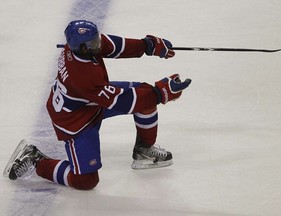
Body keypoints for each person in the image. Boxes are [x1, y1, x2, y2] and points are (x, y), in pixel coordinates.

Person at [4, 20, 191, 190]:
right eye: (94, 43)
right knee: (86, 181)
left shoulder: (80, 47)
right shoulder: (83, 76)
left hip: (90, 101)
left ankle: (144, 149)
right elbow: (124, 102)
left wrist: (147, 45)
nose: (98, 44)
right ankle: (36, 160)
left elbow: (112, 45)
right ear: (81, 47)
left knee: (144, 93)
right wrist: (161, 93)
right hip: (76, 121)